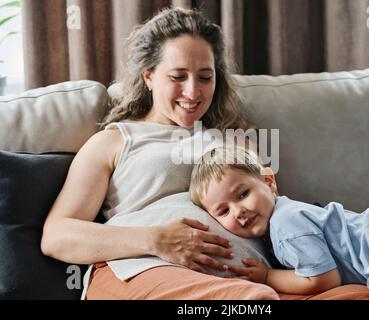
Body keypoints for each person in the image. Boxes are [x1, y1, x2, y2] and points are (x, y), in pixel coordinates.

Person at [40, 7, 279, 300]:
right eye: (178, 76)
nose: (193, 92)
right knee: (247, 302)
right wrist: (156, 240)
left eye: (205, 77)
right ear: (149, 76)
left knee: (351, 293)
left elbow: (280, 219)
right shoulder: (114, 142)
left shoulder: (238, 142)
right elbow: (56, 236)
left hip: (257, 282)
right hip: (146, 272)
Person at [189, 146, 369, 300]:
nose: (239, 212)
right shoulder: (280, 221)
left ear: (269, 182)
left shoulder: (285, 223)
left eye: (243, 194)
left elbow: (323, 279)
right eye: (223, 211)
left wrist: (268, 276)